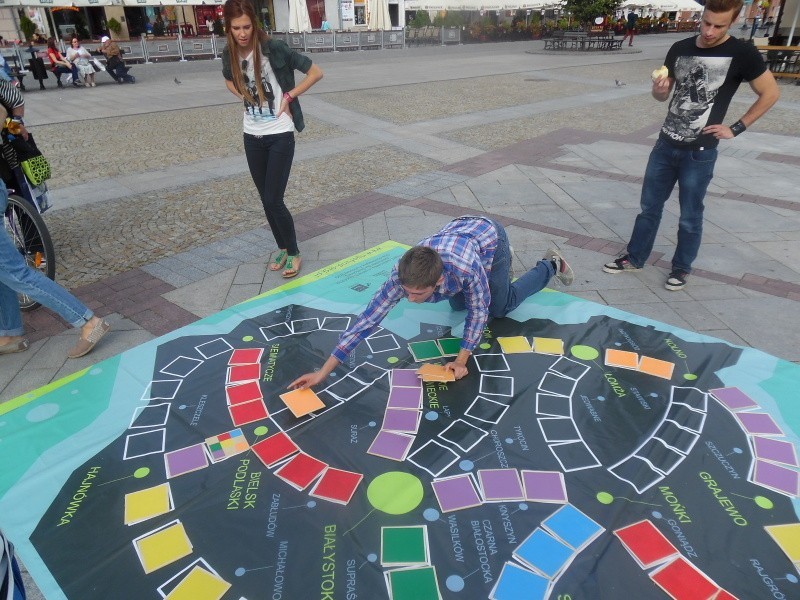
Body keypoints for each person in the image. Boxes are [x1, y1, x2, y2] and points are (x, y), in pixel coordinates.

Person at [603, 0, 779, 291]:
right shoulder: (680, 48)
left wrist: (736, 127)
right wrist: (658, 91)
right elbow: (664, 97)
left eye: (718, 26)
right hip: (665, 143)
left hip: (700, 152)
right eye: (706, 22)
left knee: (689, 215)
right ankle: (635, 257)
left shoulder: (742, 52)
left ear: (732, 22)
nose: (709, 31)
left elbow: (770, 93)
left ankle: (681, 268)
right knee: (649, 208)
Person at [290, 216, 574, 388]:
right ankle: (496, 269)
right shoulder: (400, 278)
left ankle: (549, 264)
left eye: (418, 295)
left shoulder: (465, 270)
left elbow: (479, 313)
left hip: (489, 237)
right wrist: (321, 372)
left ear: (437, 282)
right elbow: (367, 320)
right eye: (407, 292)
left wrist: (461, 360)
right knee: (455, 305)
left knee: (499, 308)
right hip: (460, 231)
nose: (410, 301)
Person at [0, 83, 111, 358]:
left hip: (6, 168)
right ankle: (10, 332)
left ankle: (88, 322)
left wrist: (13, 127)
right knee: (4, 271)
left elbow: (10, 117)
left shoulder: (3, 91)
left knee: (15, 270)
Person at [222, 0, 323, 279]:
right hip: (251, 134)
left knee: (273, 198)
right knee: (265, 199)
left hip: (279, 133)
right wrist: (242, 94)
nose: (242, 33)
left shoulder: (274, 49)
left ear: (254, 24)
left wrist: (289, 96)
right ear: (228, 29)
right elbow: (228, 78)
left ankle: (293, 252)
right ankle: (281, 247)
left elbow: (316, 72)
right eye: (236, 28)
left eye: (246, 27)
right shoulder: (228, 54)